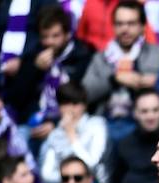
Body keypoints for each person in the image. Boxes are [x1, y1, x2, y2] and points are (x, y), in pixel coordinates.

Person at [81, 0, 159, 141]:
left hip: (145, 124)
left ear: (142, 26)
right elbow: (85, 93)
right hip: (106, 123)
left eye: (131, 23)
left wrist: (155, 83)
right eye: (119, 24)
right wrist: (113, 79)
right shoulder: (101, 57)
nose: (125, 29)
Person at [6, 5, 94, 133]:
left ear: (68, 34)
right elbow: (16, 98)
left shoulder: (82, 56)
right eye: (45, 37)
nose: (50, 42)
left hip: (69, 121)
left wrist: (55, 123)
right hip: (34, 119)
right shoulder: (33, 55)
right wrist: (34, 69)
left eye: (55, 36)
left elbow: (82, 97)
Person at [39, 82, 109, 183]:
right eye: (65, 104)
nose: (70, 109)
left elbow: (92, 164)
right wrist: (69, 180)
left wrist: (71, 136)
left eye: (75, 103)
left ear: (84, 106)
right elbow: (46, 175)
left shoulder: (97, 125)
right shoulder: (55, 135)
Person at [112, 88, 159, 183]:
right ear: (135, 113)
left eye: (155, 110)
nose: (150, 116)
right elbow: (115, 181)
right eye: (144, 111)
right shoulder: (124, 144)